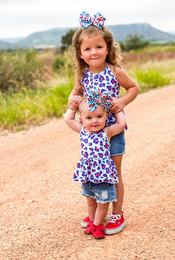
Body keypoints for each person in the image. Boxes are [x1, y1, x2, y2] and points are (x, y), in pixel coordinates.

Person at [68, 11, 139, 235]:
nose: (94, 52)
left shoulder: (114, 71)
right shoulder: (84, 76)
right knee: (93, 172)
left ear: (107, 48)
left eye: (98, 47)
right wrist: (72, 98)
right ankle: (97, 213)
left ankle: (117, 214)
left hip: (113, 132)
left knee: (114, 172)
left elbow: (134, 88)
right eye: (87, 49)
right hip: (92, 135)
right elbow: (76, 93)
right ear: (80, 54)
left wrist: (122, 101)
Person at [64, 98, 126, 239]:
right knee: (90, 200)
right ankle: (93, 222)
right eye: (89, 118)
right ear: (81, 120)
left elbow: (121, 124)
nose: (95, 121)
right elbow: (68, 119)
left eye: (99, 116)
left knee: (103, 201)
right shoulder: (82, 131)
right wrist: (73, 107)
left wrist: (117, 110)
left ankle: (98, 225)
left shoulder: (106, 132)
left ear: (105, 117)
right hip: (88, 175)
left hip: (103, 175)